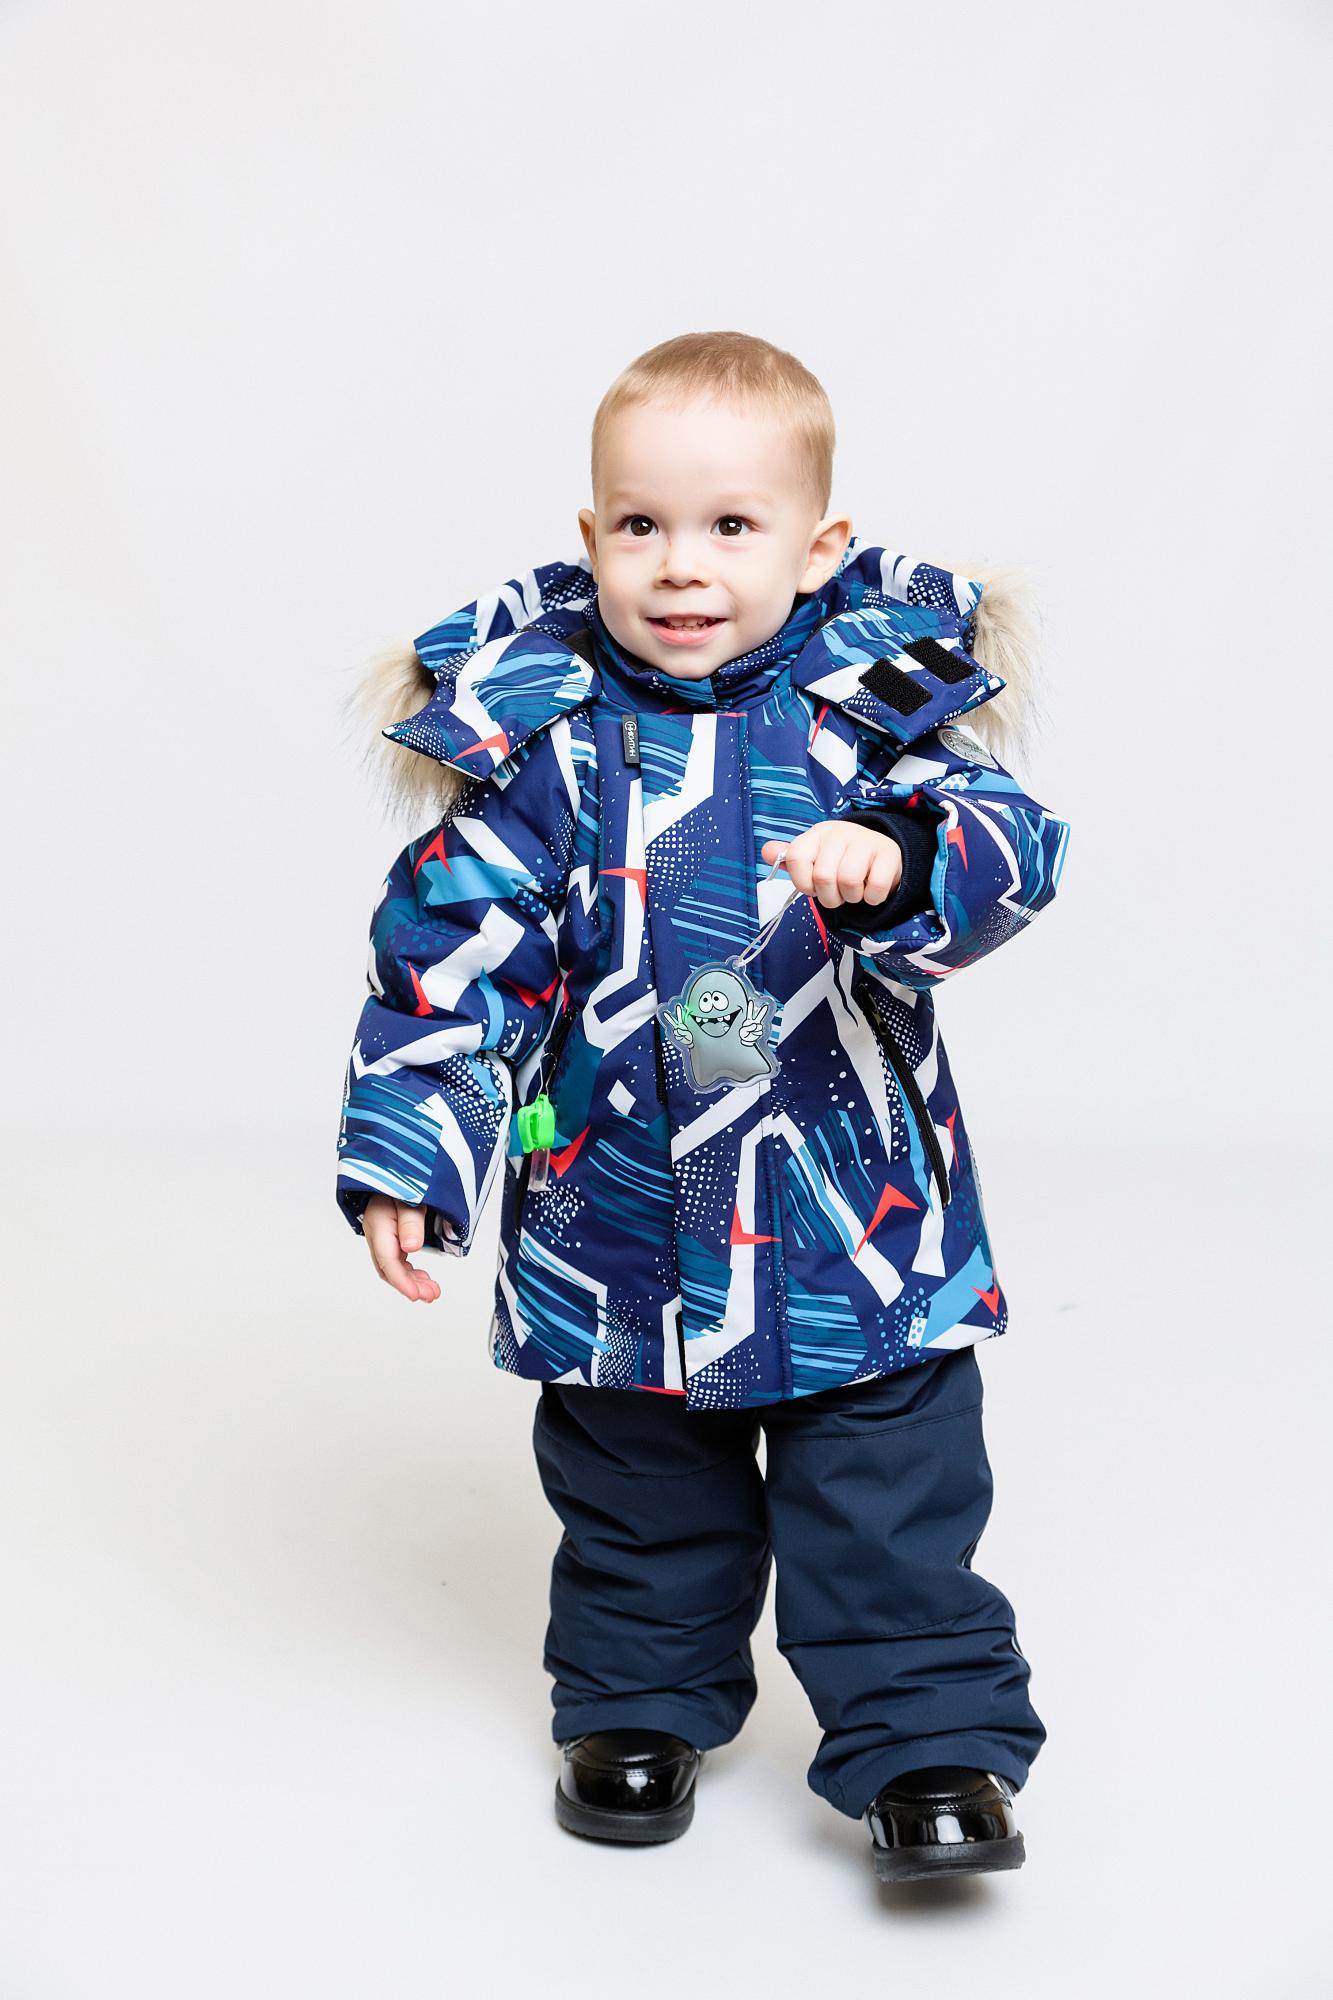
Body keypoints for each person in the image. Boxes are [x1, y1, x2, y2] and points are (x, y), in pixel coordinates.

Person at [334, 330, 1071, 1884]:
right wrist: (416, 1148)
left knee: (886, 1493)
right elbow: (451, 951)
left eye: (731, 525)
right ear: (590, 533)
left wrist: (903, 857)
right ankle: (636, 1702)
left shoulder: (868, 712)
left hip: (850, 1221)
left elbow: (1010, 842)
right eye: (641, 524)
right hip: (614, 1224)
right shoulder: (548, 749)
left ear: (817, 549)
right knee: (634, 1493)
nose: (681, 564)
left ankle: (927, 1736)